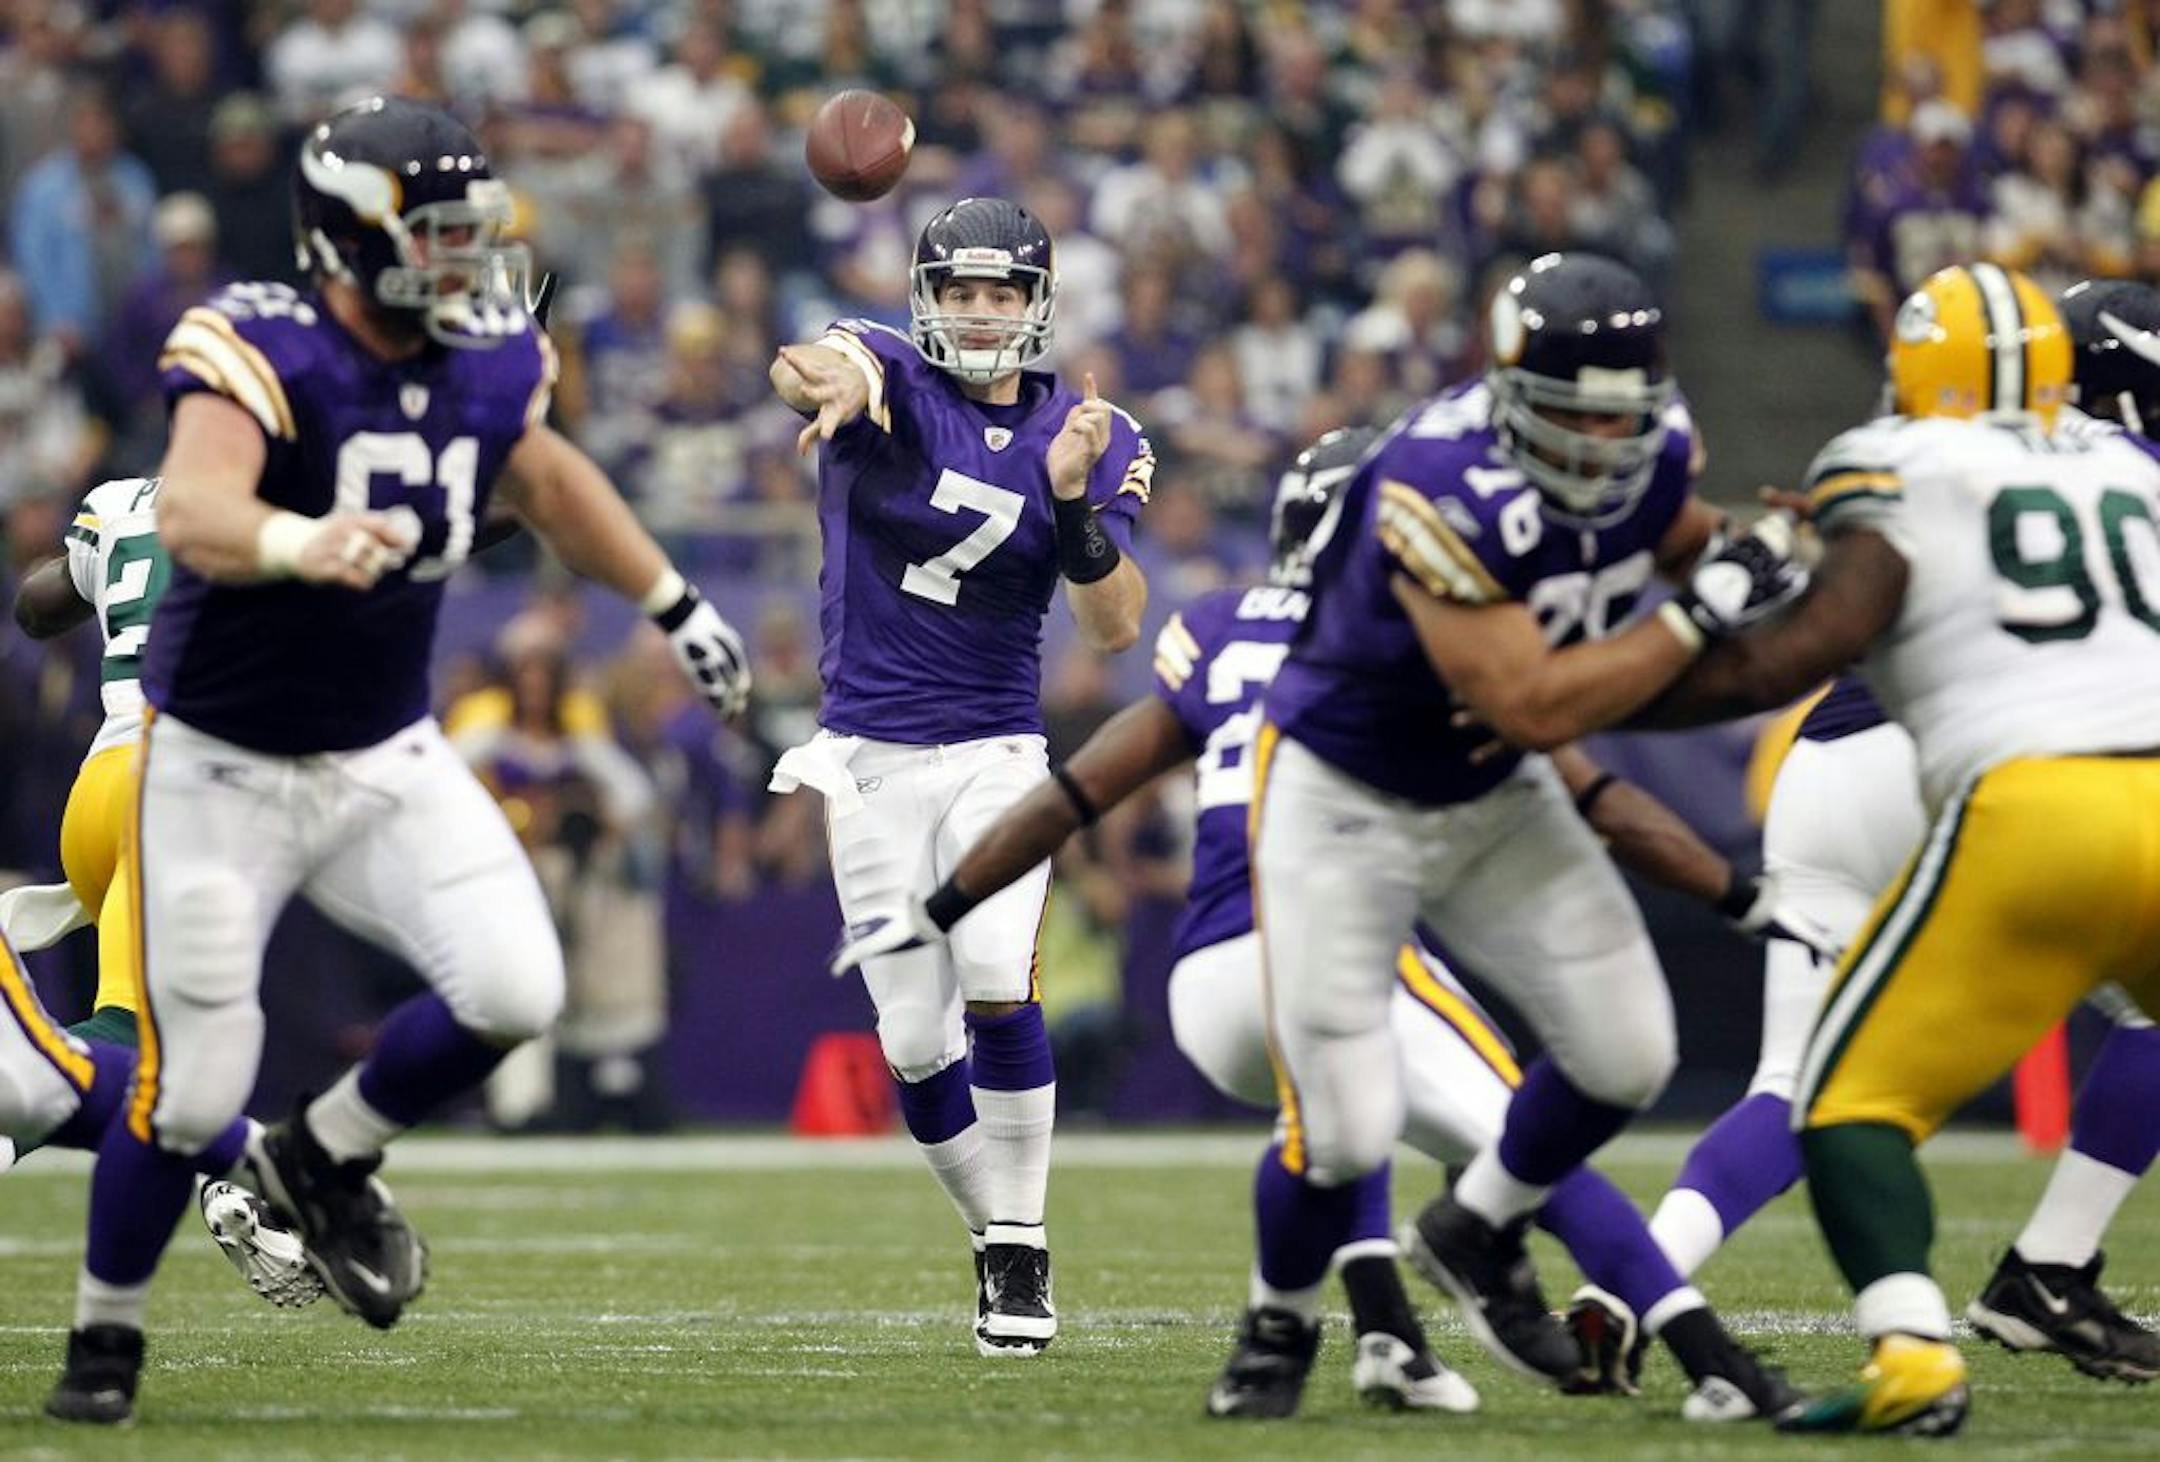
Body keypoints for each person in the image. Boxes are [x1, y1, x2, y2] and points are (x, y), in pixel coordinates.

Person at [836, 430, 1814, 1421]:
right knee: (1507, 1135)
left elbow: (1079, 792)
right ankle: (1704, 1351)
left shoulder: (1220, 627)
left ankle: (1357, 1334)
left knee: (1332, 1119)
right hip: (1331, 940)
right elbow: (1599, 794)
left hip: (1211, 981)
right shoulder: (1425, 641)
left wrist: (941, 903)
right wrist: (1740, 895)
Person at [44, 97, 751, 1426]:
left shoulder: (487, 351)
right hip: (219, 763)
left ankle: (322, 1155)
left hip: (381, 749)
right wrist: (294, 540)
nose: (463, 259)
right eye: (434, 234)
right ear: (348, 235)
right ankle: (105, 1335)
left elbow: (545, 477)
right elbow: (192, 507)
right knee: (192, 1095)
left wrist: (672, 600)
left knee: (516, 982)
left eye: (468, 232)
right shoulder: (261, 340)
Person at [1221, 252, 1803, 1401]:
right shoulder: (1434, 480)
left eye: (1618, 413)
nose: (1599, 437)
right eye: (1570, 411)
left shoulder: (1655, 450)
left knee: (1630, 1053)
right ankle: (1275, 1328)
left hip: (1488, 791)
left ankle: (1474, 1223)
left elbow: (1681, 531)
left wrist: (1760, 556)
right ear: (1509, 393)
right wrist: (1702, 612)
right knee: (1346, 1133)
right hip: (1348, 798)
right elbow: (1532, 703)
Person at [1629, 261, 2160, 1435]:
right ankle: (2048, 1267)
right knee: (2135, 1022)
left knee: (1809, 1088)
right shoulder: (2132, 470)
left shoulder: (1892, 455)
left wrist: (1620, 690)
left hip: (1846, 763)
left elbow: (1807, 636)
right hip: (2052, 777)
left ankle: (1639, 1282)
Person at [767, 195, 1152, 1358]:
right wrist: (830, 385)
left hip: (997, 749)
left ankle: (1022, 1243)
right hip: (869, 757)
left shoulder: (1092, 428)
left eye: (1001, 293)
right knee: (911, 1043)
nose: (980, 313)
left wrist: (1074, 500)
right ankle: (997, 1234)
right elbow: (809, 361)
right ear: (925, 299)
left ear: (1039, 304)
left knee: (995, 971)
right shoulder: (887, 369)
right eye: (959, 291)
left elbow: (1116, 627)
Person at [3, 474, 322, 1311]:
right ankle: (224, 1167)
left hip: (98, 791)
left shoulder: (119, 500)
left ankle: (223, 1177)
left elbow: (35, 606)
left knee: (180, 1033)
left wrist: (101, 578)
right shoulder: (286, 485)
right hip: (180, 789)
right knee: (122, 1034)